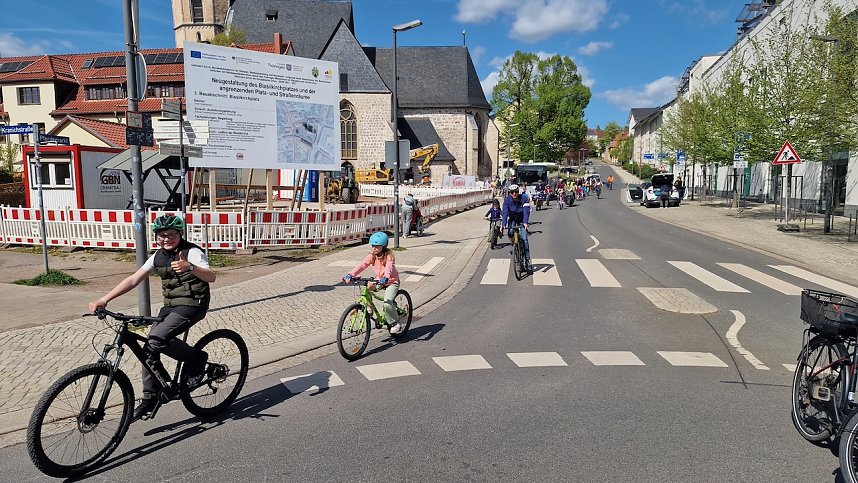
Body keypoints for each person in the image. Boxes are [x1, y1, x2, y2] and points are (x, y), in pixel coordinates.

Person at [88, 214, 216, 421]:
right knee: (149, 347)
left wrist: (190, 267)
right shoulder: (157, 256)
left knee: (157, 339)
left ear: (180, 234)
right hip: (170, 307)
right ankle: (150, 398)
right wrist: (104, 299)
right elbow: (133, 279)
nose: (166, 238)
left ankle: (197, 360)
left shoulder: (191, 252)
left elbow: (211, 276)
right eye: (161, 235)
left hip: (193, 305)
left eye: (171, 234)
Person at [343, 232, 403, 333]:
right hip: (379, 280)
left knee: (387, 304)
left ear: (384, 246)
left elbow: (388, 268)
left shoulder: (389, 256)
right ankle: (369, 308)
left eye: (377, 246)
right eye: (373, 246)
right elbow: (362, 265)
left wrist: (386, 277)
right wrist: (351, 274)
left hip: (392, 281)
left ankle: (395, 322)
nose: (374, 248)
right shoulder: (372, 256)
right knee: (368, 286)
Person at [501, 184, 531, 264]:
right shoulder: (507, 200)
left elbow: (526, 211)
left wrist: (525, 222)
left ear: (518, 192)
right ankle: (513, 244)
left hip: (521, 219)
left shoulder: (524, 198)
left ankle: (527, 260)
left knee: (524, 239)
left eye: (516, 192)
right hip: (512, 219)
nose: (514, 194)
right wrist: (503, 224)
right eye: (512, 192)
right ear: (510, 193)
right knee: (510, 233)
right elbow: (505, 212)